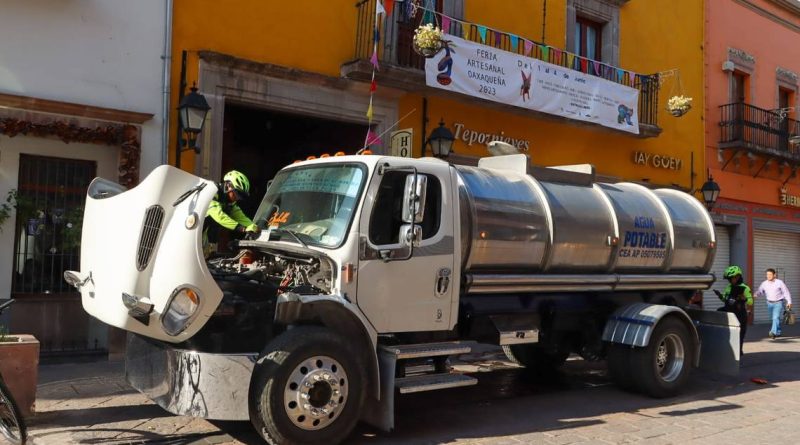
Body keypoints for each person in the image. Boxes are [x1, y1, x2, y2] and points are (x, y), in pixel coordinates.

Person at [203, 170, 260, 257]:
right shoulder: (213, 192)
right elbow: (219, 216)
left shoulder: (229, 202)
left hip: (205, 235)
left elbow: (239, 216)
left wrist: (253, 226)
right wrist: (241, 228)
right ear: (228, 186)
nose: (237, 198)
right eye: (236, 194)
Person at [714, 265, 752, 356]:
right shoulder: (728, 287)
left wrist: (744, 299)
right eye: (729, 279)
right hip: (729, 312)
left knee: (739, 335)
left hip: (740, 314)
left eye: (731, 278)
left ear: (737, 277)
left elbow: (750, 302)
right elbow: (726, 299)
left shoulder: (745, 288)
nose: (730, 281)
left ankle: (738, 353)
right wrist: (720, 295)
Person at [755, 268, 792, 339]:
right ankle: (778, 332)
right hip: (769, 303)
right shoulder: (764, 283)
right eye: (767, 274)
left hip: (778, 302)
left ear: (774, 275)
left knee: (775, 317)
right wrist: (756, 294)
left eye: (770, 274)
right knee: (773, 318)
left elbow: (786, 292)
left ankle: (773, 332)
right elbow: (760, 291)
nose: (768, 276)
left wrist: (789, 302)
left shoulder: (779, 282)